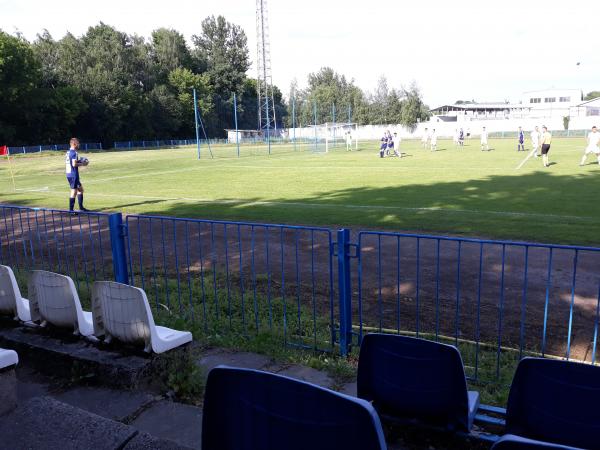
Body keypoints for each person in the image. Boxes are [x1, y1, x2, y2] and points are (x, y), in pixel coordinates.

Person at [65, 137, 89, 212]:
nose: (79, 144)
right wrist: (83, 163)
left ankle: (81, 208)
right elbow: (74, 164)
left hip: (69, 174)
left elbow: (73, 162)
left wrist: (80, 160)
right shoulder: (74, 152)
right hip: (73, 175)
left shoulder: (68, 152)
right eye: (78, 143)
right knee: (74, 191)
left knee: (80, 190)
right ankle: (71, 210)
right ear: (74, 144)